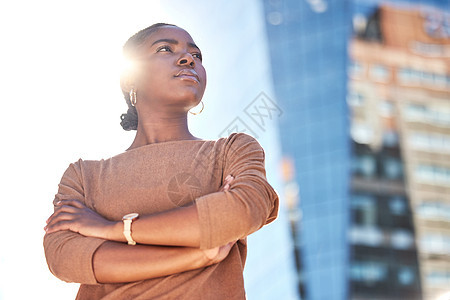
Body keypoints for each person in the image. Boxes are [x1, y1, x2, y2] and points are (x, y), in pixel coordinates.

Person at [43, 23, 279, 300]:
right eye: (165, 48)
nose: (189, 59)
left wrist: (111, 229)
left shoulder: (233, 150)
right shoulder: (83, 176)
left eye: (197, 55)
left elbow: (243, 210)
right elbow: (64, 258)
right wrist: (198, 254)